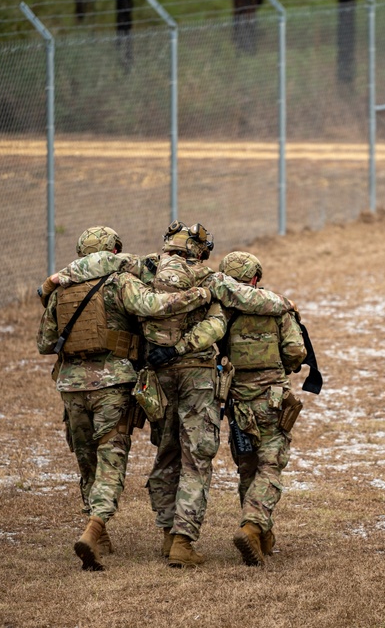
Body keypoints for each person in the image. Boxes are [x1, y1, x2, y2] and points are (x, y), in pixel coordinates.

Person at [36, 226, 211, 572]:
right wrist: (198, 296)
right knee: (110, 459)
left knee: (86, 457)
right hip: (113, 384)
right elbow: (149, 308)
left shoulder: (63, 288)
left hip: (71, 385)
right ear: (113, 251)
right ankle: (95, 527)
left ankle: (98, 533)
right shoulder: (120, 282)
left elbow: (45, 342)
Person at [141, 222, 299, 568]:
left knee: (166, 453)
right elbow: (249, 307)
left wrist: (52, 285)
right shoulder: (209, 280)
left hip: (157, 375)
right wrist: (284, 303)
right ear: (199, 249)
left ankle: (167, 535)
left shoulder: (143, 270)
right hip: (198, 378)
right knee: (198, 459)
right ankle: (185, 540)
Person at [217, 251, 306, 566]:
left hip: (238, 401)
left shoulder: (219, 312)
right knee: (270, 465)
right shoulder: (275, 307)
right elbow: (296, 351)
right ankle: (252, 526)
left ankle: (262, 535)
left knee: (248, 466)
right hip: (271, 399)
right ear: (255, 279)